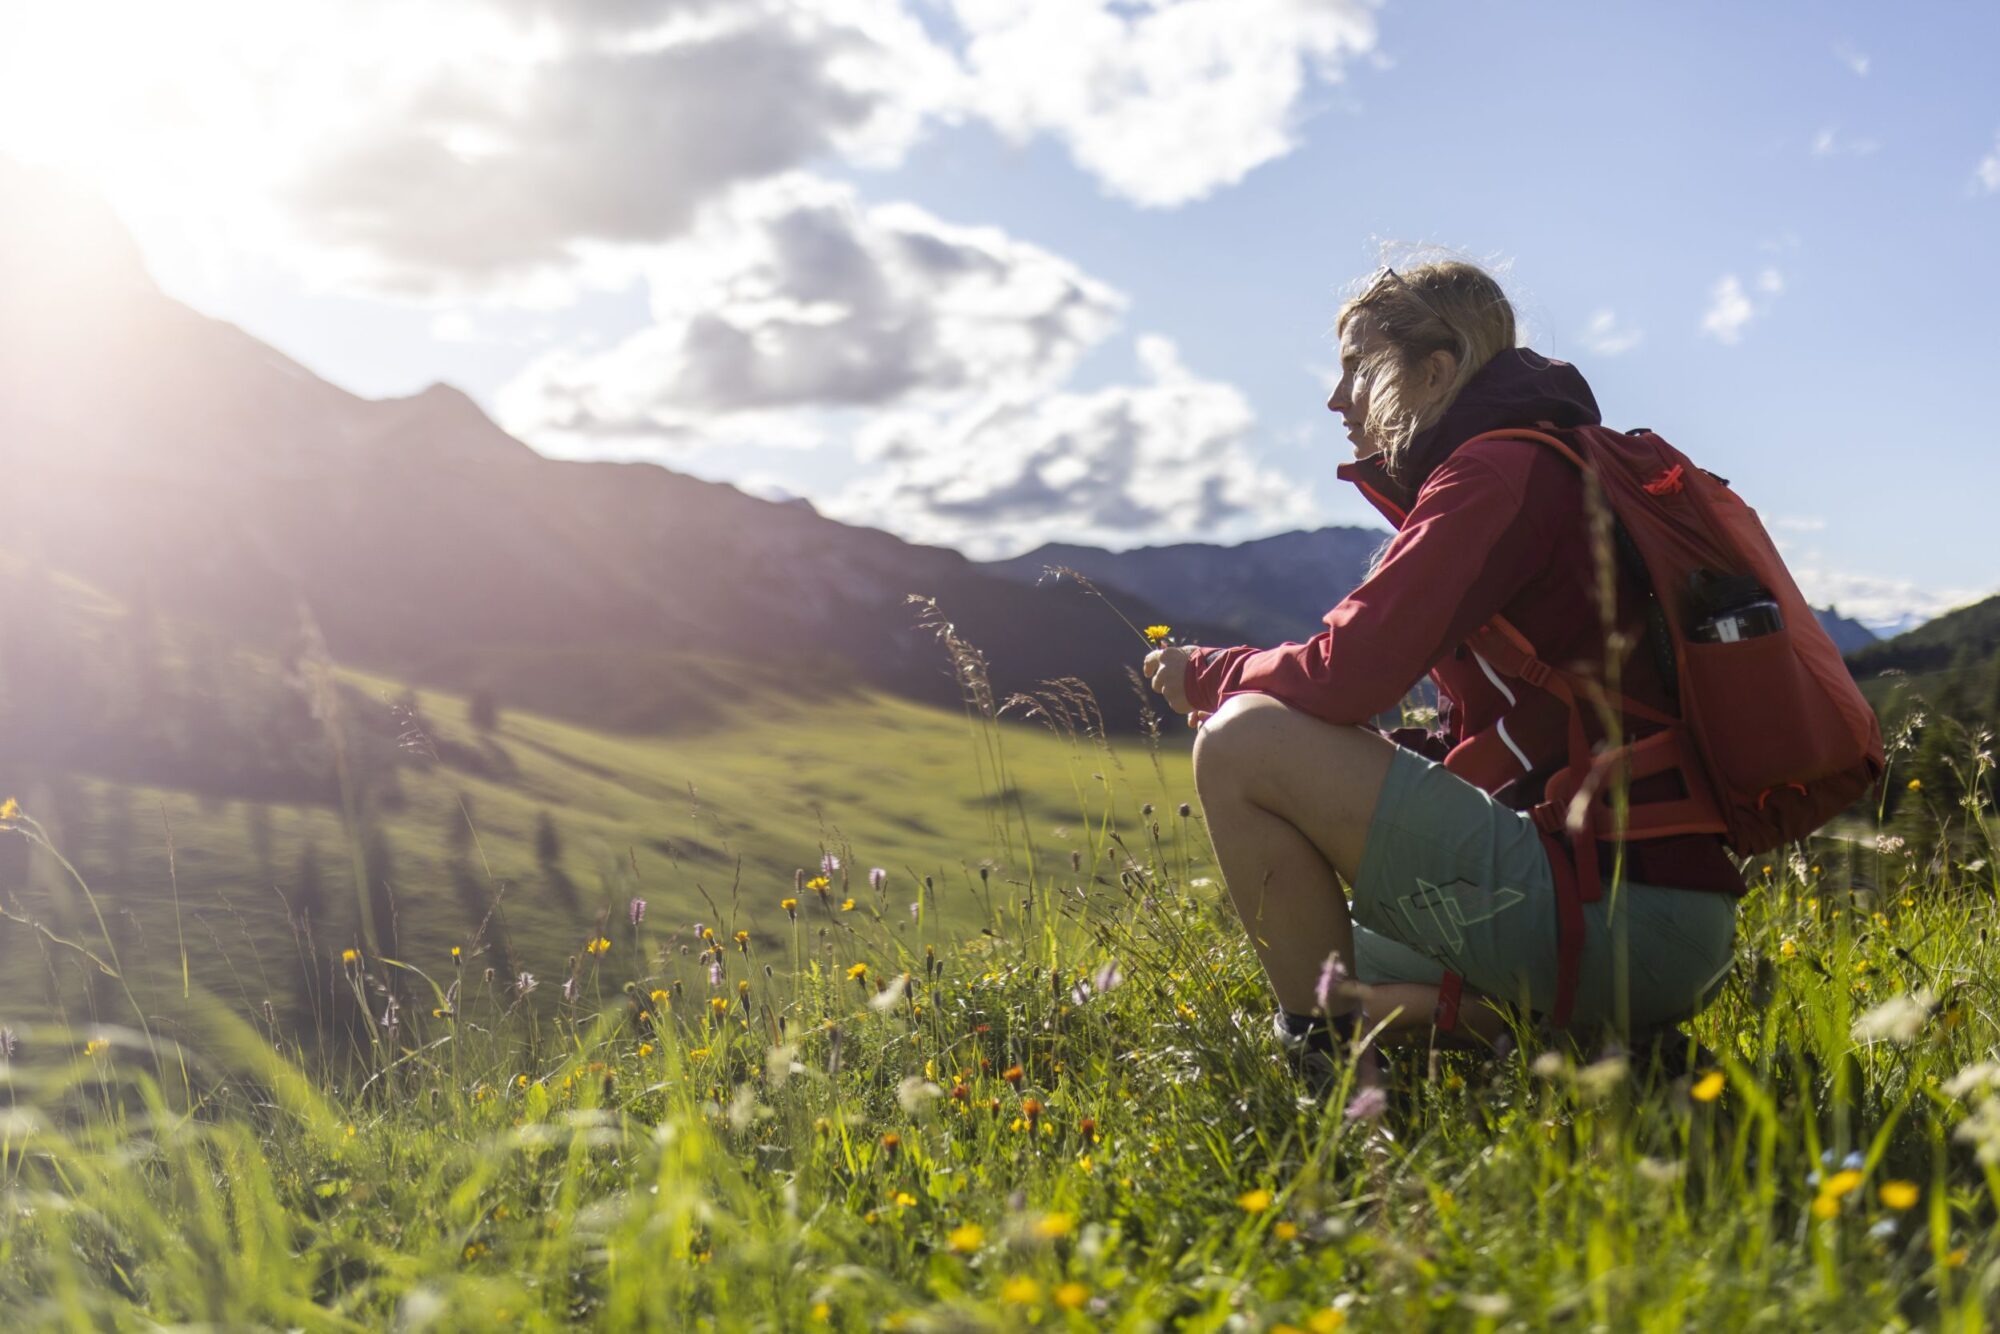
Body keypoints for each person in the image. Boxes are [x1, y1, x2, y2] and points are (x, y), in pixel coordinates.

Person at [1143, 260, 1741, 1064]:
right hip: (1642, 906)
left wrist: (1207, 676)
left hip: (1620, 912)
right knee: (1328, 955)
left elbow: (1346, 673)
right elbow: (1513, 732)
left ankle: (1333, 1077)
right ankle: (1550, 1038)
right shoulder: (1539, 466)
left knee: (1240, 739)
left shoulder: (1496, 473)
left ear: (1435, 372)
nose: (1335, 396)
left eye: (1358, 365)